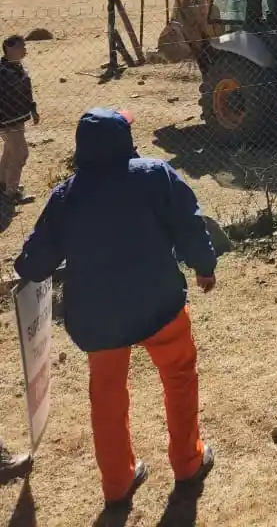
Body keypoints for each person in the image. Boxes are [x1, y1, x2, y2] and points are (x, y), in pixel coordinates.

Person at [14, 109, 217, 509]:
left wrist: (29, 264)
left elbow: (33, 264)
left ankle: (117, 483)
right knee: (179, 378)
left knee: (106, 397)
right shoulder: (154, 174)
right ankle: (187, 463)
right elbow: (190, 223)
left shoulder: (66, 196)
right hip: (160, 303)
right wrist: (204, 267)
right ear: (124, 138)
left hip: (99, 318)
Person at [0, 34, 39, 204]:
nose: (25, 50)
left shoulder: (17, 67)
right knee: (20, 153)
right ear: (9, 49)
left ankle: (3, 184)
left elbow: (26, 91)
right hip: (8, 121)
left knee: (10, 151)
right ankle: (12, 193)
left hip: (18, 118)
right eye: (21, 47)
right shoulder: (3, 72)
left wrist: (33, 109)